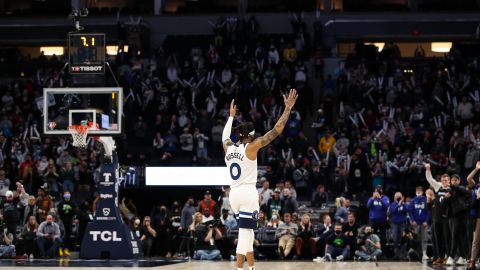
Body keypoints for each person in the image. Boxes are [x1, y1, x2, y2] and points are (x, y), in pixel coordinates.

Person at [223, 89, 298, 270]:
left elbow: (225, 136)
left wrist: (230, 117)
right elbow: (277, 130)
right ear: (249, 136)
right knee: (244, 234)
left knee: (248, 233)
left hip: (234, 194)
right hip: (248, 193)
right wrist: (287, 108)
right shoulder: (252, 147)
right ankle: (240, 269)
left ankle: (251, 268)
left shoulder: (228, 148)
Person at [425, 163, 451, 265]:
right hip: (437, 218)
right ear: (441, 181)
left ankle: (448, 256)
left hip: (447, 217)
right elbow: (430, 179)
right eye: (443, 180)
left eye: (446, 180)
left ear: (449, 181)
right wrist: (428, 169)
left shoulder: (452, 189)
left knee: (446, 238)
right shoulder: (438, 187)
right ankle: (440, 256)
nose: (445, 182)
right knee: (438, 238)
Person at [409, 186, 430, 261]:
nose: (418, 191)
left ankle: (424, 253)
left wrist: (426, 221)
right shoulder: (413, 200)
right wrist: (413, 220)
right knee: (415, 239)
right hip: (416, 223)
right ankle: (416, 253)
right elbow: (410, 212)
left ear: (422, 191)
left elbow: (428, 212)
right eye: (417, 190)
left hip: (424, 223)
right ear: (415, 191)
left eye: (420, 190)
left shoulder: (426, 199)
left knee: (424, 238)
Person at [57, 191, 75, 257]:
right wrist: (64, 209)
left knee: (68, 236)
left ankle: (66, 249)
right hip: (62, 222)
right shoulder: (61, 203)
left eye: (68, 194)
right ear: (64, 195)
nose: (67, 195)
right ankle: (60, 249)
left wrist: (69, 209)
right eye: (66, 194)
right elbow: (59, 211)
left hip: (69, 222)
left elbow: (75, 211)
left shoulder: (72, 203)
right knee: (62, 236)